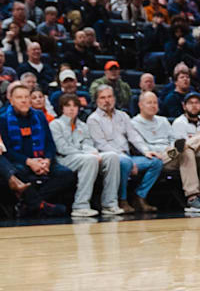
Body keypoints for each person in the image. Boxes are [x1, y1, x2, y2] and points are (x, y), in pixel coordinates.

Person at [1, 83, 76, 216]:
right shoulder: (3, 119)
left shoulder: (40, 116)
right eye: (19, 97)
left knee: (67, 174)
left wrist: (47, 160)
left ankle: (30, 203)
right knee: (18, 173)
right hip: (21, 161)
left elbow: (50, 144)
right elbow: (8, 151)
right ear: (11, 101)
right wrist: (29, 162)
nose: (24, 100)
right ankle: (38, 205)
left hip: (42, 160)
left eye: (26, 97)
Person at [86, 85, 162, 213]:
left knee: (156, 162)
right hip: (109, 158)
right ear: (97, 101)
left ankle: (139, 196)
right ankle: (122, 200)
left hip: (128, 156)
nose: (107, 100)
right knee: (124, 162)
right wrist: (127, 159)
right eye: (103, 98)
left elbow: (134, 136)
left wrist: (145, 151)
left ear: (114, 98)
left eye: (109, 97)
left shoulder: (123, 115)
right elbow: (101, 145)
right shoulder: (93, 119)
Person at [51, 93, 124, 216]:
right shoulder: (55, 124)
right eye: (68, 106)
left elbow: (88, 143)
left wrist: (92, 152)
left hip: (83, 156)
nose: (71, 109)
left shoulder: (83, 125)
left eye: (75, 106)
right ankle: (80, 205)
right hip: (64, 159)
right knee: (90, 159)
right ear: (62, 108)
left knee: (112, 156)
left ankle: (109, 204)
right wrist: (87, 153)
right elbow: (62, 148)